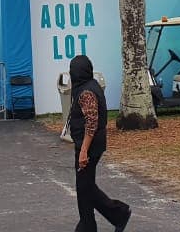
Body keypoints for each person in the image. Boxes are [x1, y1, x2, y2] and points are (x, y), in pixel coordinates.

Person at [67, 55, 130, 232]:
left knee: (84, 186)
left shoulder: (86, 92)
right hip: (90, 143)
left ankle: (118, 213)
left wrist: (83, 150)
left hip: (89, 145)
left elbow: (91, 123)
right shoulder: (89, 85)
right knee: (85, 186)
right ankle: (89, 224)